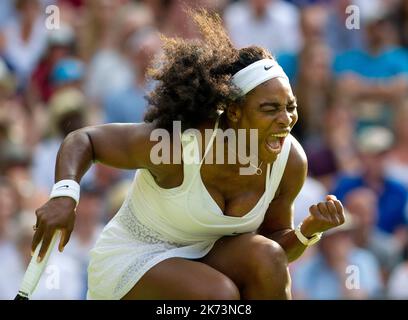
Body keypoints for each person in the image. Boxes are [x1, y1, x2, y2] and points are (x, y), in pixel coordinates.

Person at [31, 10, 345, 300]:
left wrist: (307, 232)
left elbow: (274, 252)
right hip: (134, 260)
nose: (286, 119)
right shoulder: (177, 146)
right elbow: (85, 139)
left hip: (208, 259)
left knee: (267, 258)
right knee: (219, 296)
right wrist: (64, 194)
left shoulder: (290, 161)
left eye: (290, 107)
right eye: (269, 109)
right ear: (234, 112)